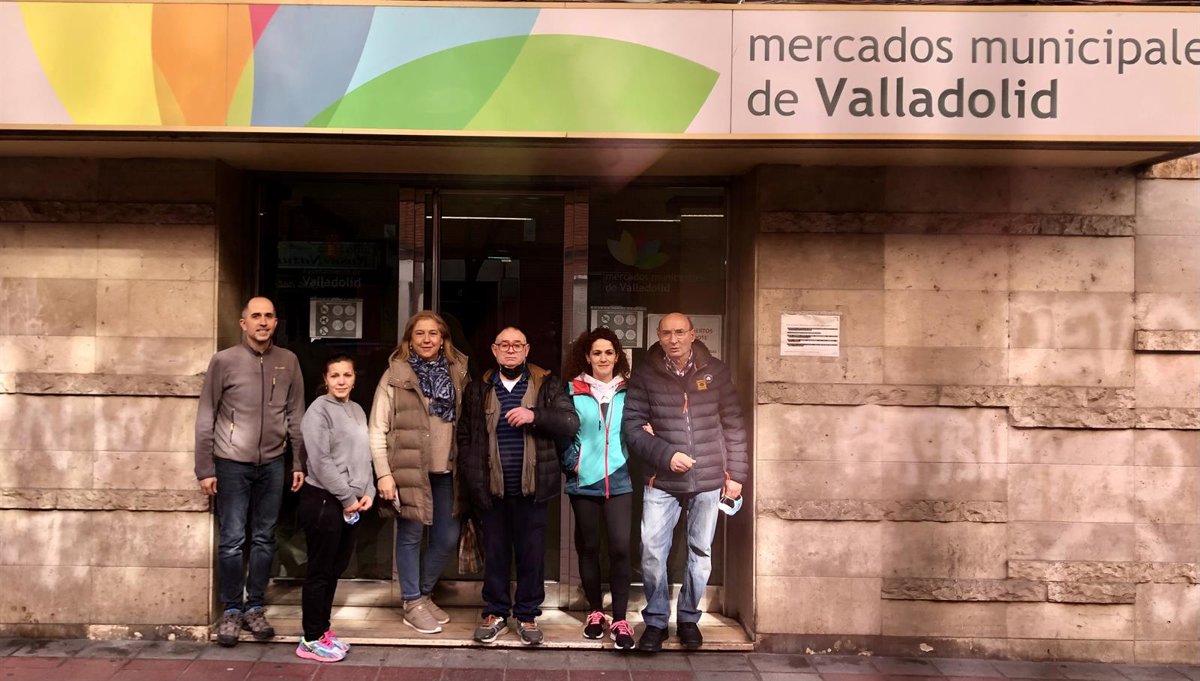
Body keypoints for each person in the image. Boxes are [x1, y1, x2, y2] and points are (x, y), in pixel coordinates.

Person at [622, 313, 748, 653]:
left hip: (708, 479)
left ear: (693, 334)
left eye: (680, 332)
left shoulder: (715, 372)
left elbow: (733, 424)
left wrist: (736, 475)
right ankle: (656, 621)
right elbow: (632, 427)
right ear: (658, 336)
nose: (673, 339)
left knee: (700, 553)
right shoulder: (646, 374)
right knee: (651, 552)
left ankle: (689, 619)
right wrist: (667, 455)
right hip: (661, 480)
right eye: (666, 333)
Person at [194, 296, 306, 647]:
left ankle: (255, 606)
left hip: (273, 463)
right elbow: (206, 415)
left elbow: (296, 415)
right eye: (255, 316)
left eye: (269, 316)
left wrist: (298, 462)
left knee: (263, 538)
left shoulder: (288, 361)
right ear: (243, 323)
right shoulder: (223, 361)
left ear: (276, 322)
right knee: (231, 540)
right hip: (231, 463)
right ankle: (231, 609)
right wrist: (204, 467)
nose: (262, 321)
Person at [457, 326, 580, 646]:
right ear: (494, 350)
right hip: (492, 490)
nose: (510, 350)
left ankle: (527, 615)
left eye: (517, 345)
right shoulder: (477, 389)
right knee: (496, 554)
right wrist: (473, 478)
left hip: (533, 490)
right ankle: (495, 612)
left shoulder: (546, 384)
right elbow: (466, 437)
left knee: (531, 555)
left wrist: (533, 415)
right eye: (504, 345)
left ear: (527, 350)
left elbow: (570, 422)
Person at [369, 311, 470, 635]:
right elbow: (377, 428)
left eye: (433, 333)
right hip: (409, 469)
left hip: (447, 471)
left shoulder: (458, 372)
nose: (427, 339)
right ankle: (412, 601)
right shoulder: (394, 374)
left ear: (443, 339)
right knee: (410, 537)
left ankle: (423, 594)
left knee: (447, 537)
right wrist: (383, 474)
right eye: (419, 334)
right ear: (409, 340)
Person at [296, 354, 375, 662]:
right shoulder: (318, 411)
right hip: (324, 500)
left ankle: (323, 630)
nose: (341, 381)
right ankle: (310, 638)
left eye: (347, 375)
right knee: (319, 571)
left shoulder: (357, 410)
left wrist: (368, 491)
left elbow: (364, 456)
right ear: (325, 380)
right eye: (335, 375)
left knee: (334, 569)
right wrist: (347, 497)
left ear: (354, 378)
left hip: (350, 503)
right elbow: (320, 461)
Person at [561, 328, 636, 651]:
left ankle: (619, 619)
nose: (603, 358)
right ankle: (594, 611)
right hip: (585, 482)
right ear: (587, 357)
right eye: (596, 353)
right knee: (588, 548)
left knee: (620, 549)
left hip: (619, 480)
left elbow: (639, 426)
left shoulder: (630, 390)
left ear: (617, 356)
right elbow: (562, 432)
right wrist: (572, 462)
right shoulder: (572, 389)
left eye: (608, 352)